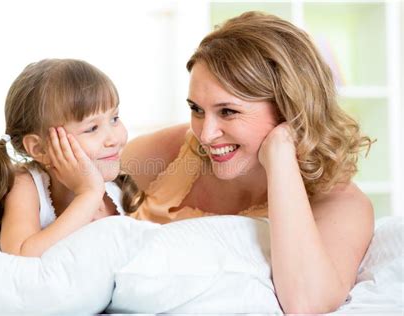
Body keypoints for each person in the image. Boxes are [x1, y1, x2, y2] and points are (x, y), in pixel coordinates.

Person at [121, 11, 374, 313]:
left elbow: (307, 303)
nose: (205, 134)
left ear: (289, 110)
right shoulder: (171, 151)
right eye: (197, 109)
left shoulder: (340, 203)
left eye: (228, 111)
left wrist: (281, 155)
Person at [0, 58, 142, 257]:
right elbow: (21, 253)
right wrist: (88, 194)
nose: (113, 138)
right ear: (40, 149)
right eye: (92, 128)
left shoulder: (114, 187)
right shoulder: (25, 184)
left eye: (114, 118)